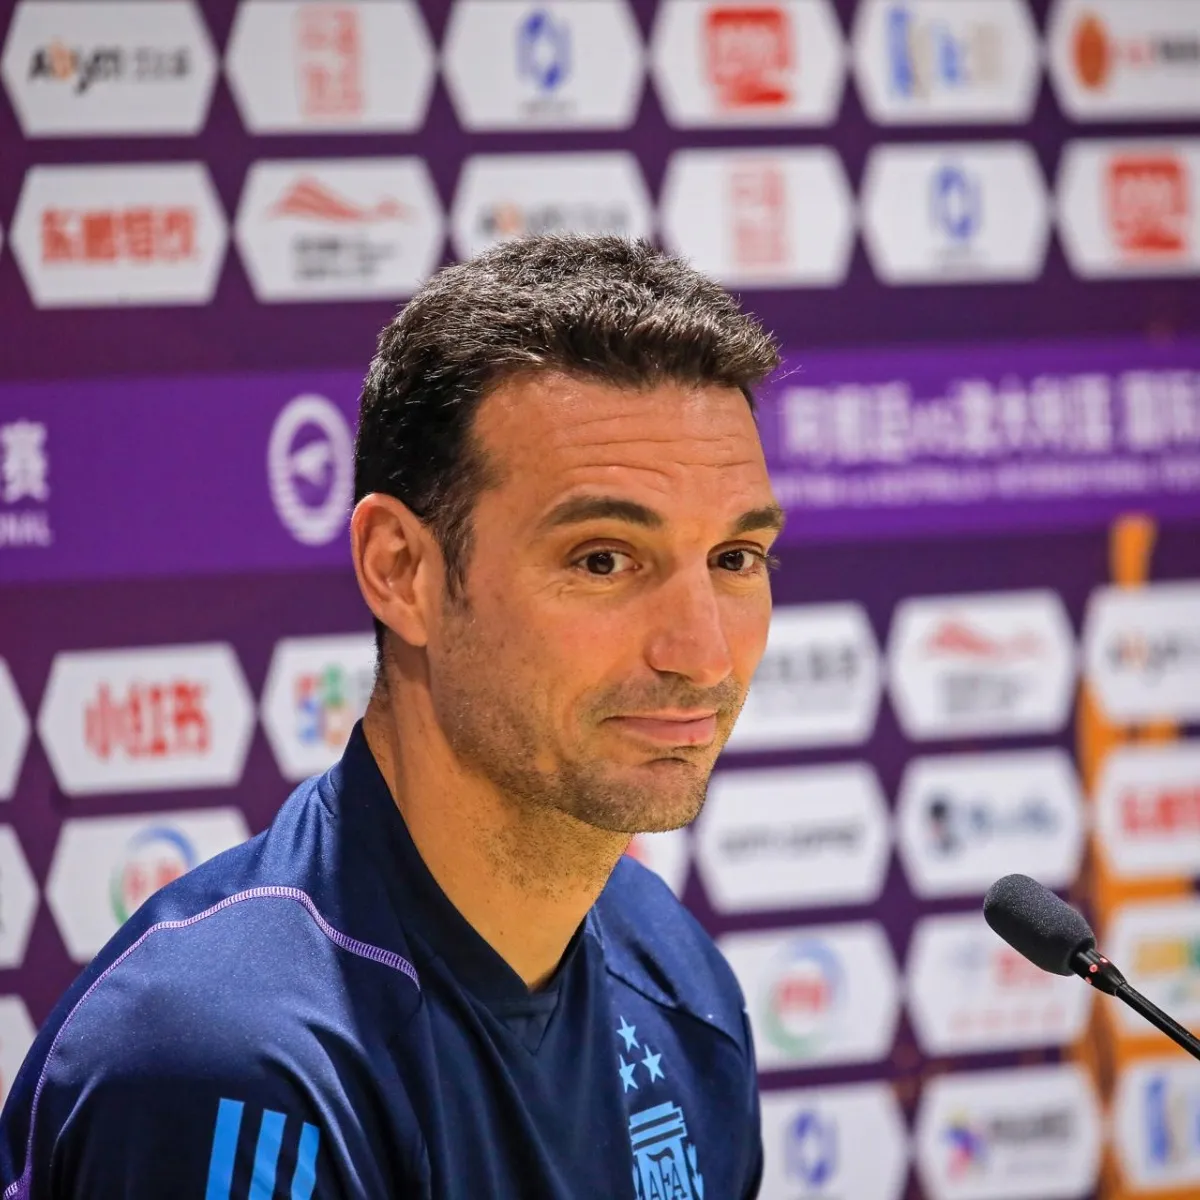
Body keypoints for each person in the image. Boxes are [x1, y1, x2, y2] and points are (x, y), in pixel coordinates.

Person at [0, 235, 784, 1199]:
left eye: (736, 559)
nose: (702, 652)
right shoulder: (232, 1064)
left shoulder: (674, 981)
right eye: (601, 559)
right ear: (400, 570)